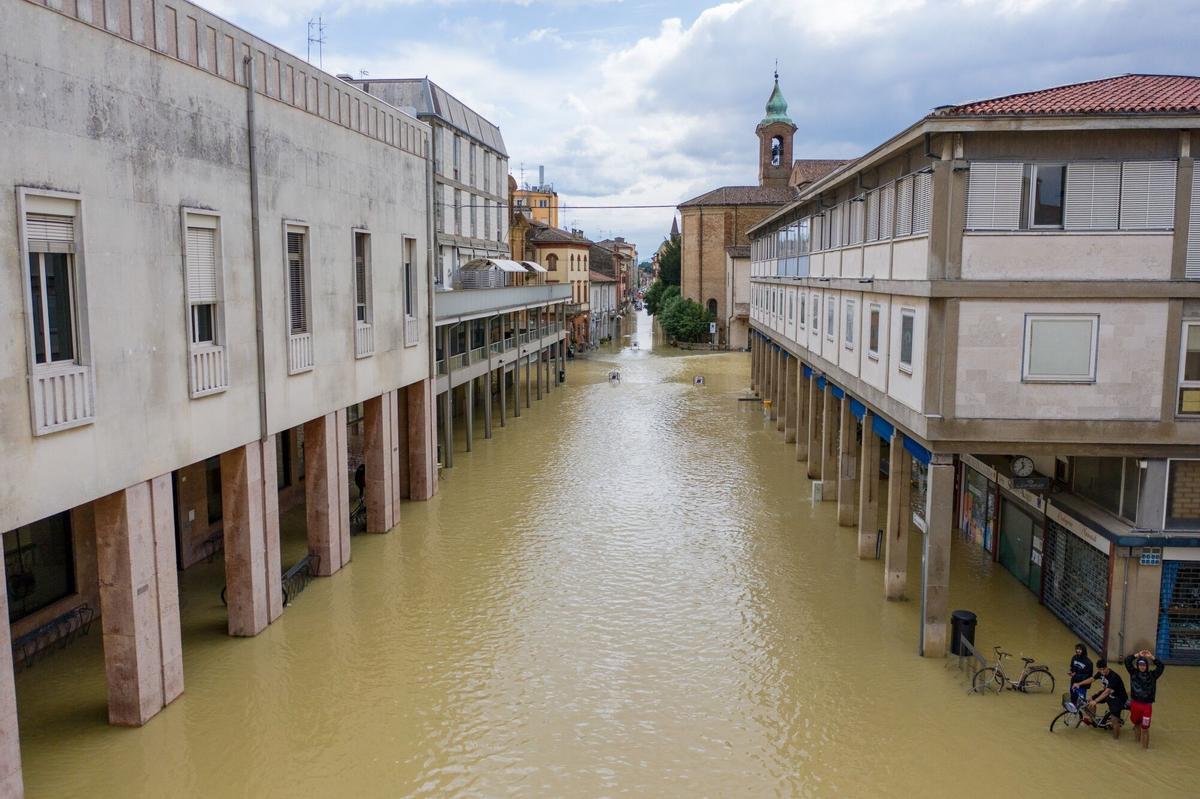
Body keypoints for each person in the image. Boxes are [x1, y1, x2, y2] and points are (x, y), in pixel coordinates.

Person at [1076, 658, 1127, 740]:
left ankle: (1116, 740)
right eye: (1100, 669)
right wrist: (1079, 684)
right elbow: (1092, 679)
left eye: (1104, 669)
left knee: (1114, 720)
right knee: (1089, 700)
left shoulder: (1114, 677)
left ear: (1107, 667)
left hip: (1117, 698)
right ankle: (1092, 720)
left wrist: (1095, 701)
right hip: (1107, 693)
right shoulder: (1100, 673)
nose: (1102, 671)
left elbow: (1107, 692)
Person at [1124, 649, 1165, 750]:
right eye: (1140, 665)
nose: (1142, 667)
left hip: (1146, 706)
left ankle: (1144, 750)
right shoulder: (1133, 673)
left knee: (1145, 729)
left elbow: (1161, 666)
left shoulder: (1152, 675)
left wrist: (1152, 657)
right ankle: (1137, 744)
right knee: (1136, 724)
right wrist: (1137, 655)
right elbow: (1127, 661)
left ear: (1147, 666)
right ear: (1137, 665)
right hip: (1135, 704)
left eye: (1144, 665)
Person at [1068, 643, 1093, 708]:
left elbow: (1088, 676)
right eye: (1077, 649)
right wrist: (1071, 672)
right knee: (1073, 697)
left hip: (1082, 685)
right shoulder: (1074, 657)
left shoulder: (1088, 663)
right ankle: (1073, 710)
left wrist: (1076, 675)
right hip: (1073, 682)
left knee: (1081, 700)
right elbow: (1071, 667)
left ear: (1083, 650)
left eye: (1080, 649)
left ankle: (1081, 713)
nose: (1078, 651)